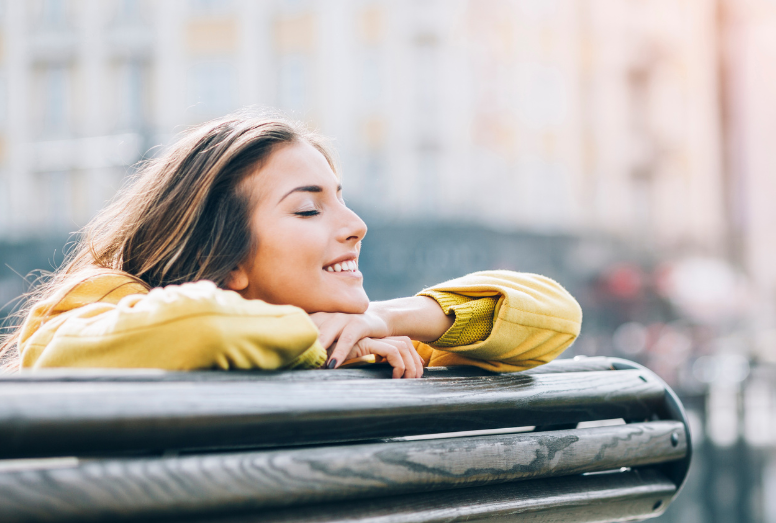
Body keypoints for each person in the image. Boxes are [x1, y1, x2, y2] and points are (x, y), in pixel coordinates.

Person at [0, 113, 581, 376]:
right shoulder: (95, 304)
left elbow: (554, 318)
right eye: (308, 207)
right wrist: (315, 340)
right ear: (224, 261)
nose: (356, 224)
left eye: (340, 197)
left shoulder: (333, 331)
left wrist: (383, 319)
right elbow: (195, 327)